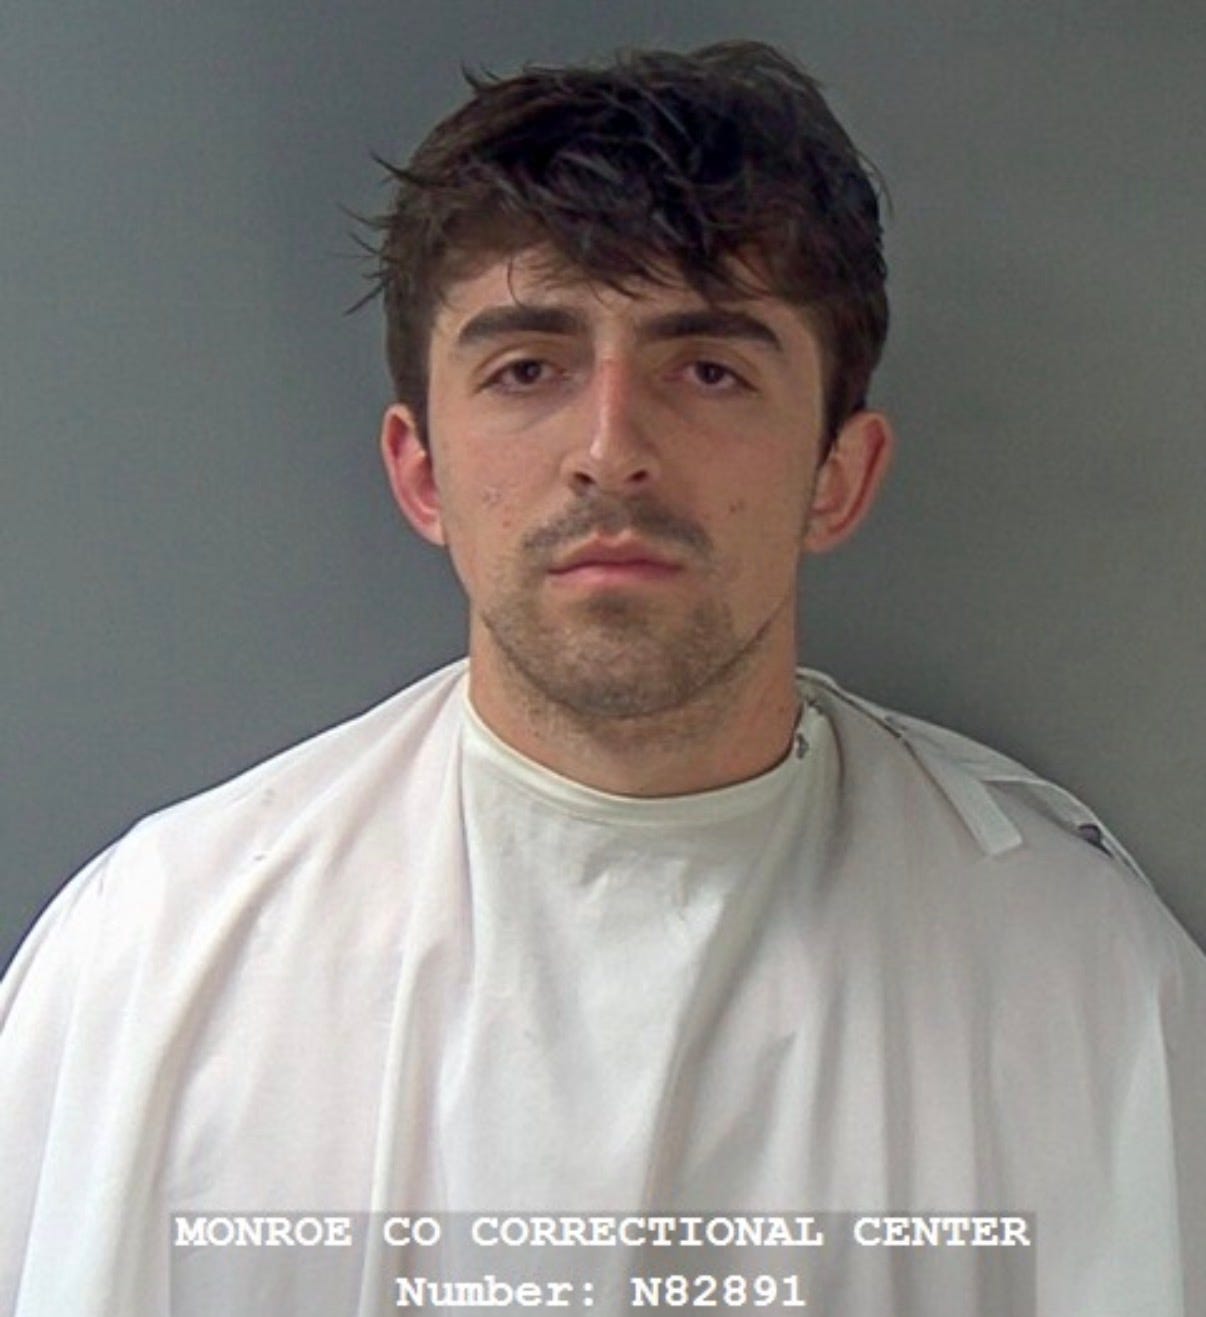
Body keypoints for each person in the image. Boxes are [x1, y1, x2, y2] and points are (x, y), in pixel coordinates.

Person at [2, 40, 1203, 1317]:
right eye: (528, 369)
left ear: (837, 477)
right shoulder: (155, 965)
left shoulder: (1082, 989)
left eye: (709, 370)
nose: (610, 448)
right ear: (422, 473)